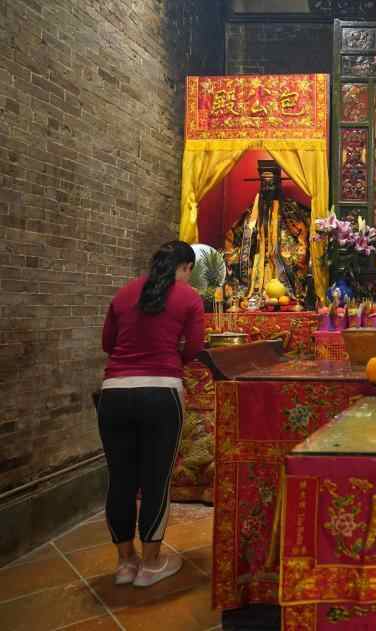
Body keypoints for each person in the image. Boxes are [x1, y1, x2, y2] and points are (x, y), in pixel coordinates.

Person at [98, 241, 205, 587]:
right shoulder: (189, 297)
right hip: (161, 393)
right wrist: (172, 361)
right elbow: (196, 346)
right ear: (186, 267)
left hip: (114, 394)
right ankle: (151, 564)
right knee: (156, 479)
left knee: (120, 479)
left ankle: (124, 563)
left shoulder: (123, 293)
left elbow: (108, 344)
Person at [224, 161, 312, 310]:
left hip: (280, 262)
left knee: (297, 260)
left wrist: (291, 252)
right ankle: (253, 297)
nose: (268, 188)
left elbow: (301, 233)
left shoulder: (290, 210)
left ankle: (293, 296)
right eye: (264, 184)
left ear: (278, 183)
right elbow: (235, 236)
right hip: (258, 261)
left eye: (271, 184)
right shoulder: (253, 211)